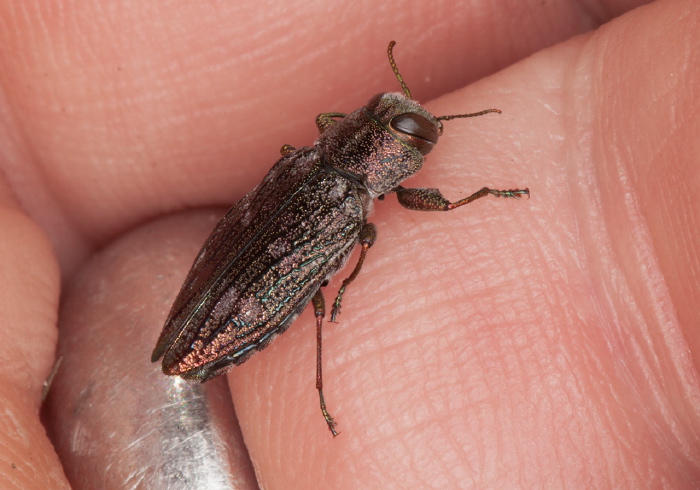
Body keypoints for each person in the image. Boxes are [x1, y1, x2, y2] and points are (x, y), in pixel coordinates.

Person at [1, 1, 698, 488]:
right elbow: (396, 225)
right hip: (242, 299)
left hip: (225, 278)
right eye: (404, 127)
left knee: (308, 275)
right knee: (321, 296)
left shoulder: (310, 158)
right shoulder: (344, 196)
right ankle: (317, 381)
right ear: (387, 158)